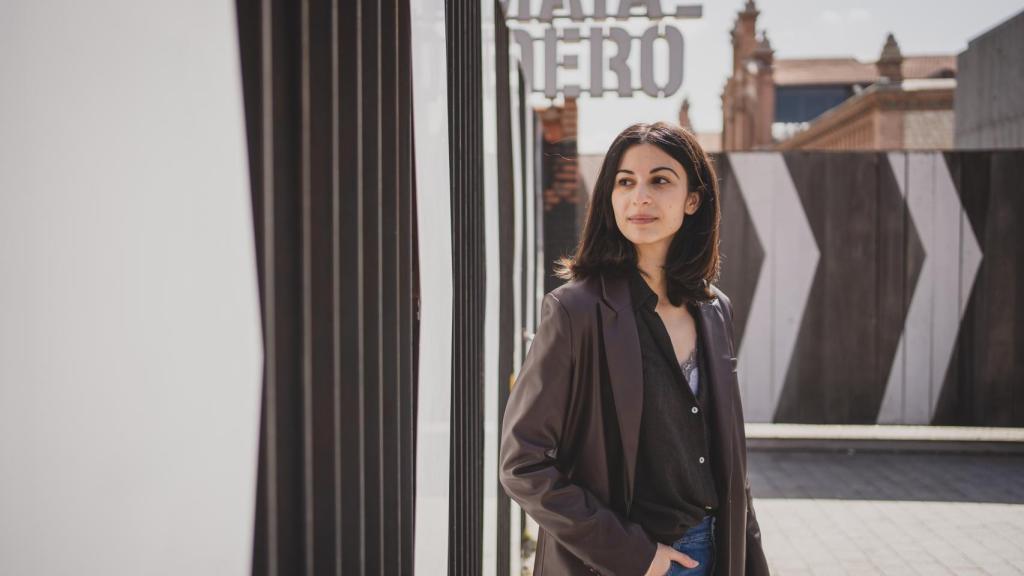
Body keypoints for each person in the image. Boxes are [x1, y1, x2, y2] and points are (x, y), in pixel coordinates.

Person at [499, 122, 770, 576]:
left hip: (714, 551)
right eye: (625, 182)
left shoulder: (713, 309)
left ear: (693, 199)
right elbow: (523, 464)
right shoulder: (575, 311)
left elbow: (730, 465)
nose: (639, 196)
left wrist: (751, 561)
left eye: (660, 180)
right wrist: (635, 555)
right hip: (622, 562)